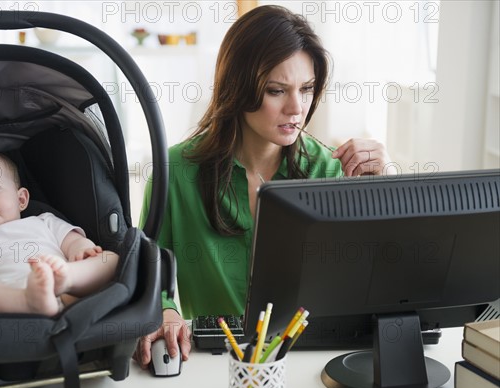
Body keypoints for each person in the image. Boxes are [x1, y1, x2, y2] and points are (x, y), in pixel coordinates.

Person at [134, 5, 396, 367]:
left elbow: (371, 281)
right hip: (214, 363)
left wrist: (384, 186)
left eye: (306, 89)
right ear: (238, 88)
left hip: (311, 361)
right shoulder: (176, 170)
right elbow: (147, 269)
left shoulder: (327, 168)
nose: (296, 108)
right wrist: (165, 313)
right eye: (276, 90)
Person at [0, 152, 119, 316]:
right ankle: (27, 301)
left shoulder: (44, 221)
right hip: (6, 296)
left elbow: (74, 242)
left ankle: (67, 282)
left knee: (110, 258)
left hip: (63, 278)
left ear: (21, 199)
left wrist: (82, 250)